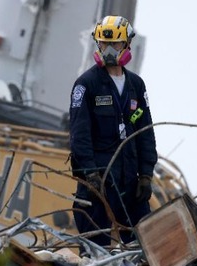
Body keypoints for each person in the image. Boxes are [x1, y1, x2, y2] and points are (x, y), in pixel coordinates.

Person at [67, 15, 157, 248]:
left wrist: (146, 174)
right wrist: (90, 174)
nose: (108, 50)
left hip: (131, 182)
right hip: (99, 183)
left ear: (127, 44)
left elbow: (145, 131)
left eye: (115, 44)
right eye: (103, 44)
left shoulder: (136, 85)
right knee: (96, 248)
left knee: (142, 247)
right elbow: (79, 135)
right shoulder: (86, 85)